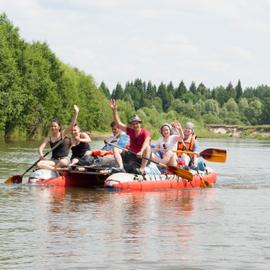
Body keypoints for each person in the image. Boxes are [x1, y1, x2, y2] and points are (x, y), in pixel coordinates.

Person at [109, 99, 151, 174]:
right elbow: (118, 123)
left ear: (140, 124)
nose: (135, 125)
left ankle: (142, 168)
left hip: (142, 156)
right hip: (133, 154)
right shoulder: (130, 130)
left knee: (148, 148)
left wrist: (141, 151)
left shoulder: (145, 132)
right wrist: (114, 110)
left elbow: (146, 142)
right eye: (133, 124)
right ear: (131, 125)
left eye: (137, 123)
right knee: (115, 148)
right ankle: (121, 167)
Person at [37, 105, 79, 170]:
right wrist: (41, 154)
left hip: (64, 159)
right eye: (52, 126)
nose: (53, 128)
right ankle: (55, 169)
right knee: (39, 164)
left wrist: (76, 113)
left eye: (55, 126)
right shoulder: (49, 138)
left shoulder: (63, 134)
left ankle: (54, 168)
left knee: (63, 162)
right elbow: (41, 147)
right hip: (53, 160)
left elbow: (71, 125)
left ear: (59, 127)